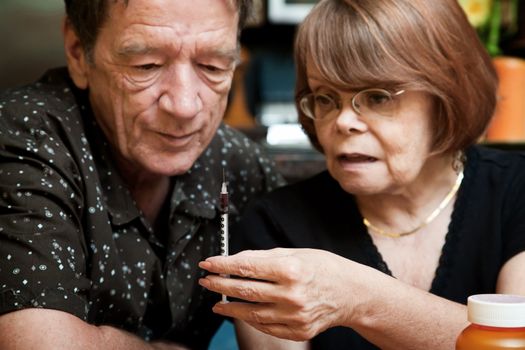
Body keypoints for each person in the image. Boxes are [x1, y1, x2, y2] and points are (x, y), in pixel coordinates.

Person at [198, 0, 525, 349]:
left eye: (377, 97)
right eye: (325, 98)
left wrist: (360, 298)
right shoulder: (274, 226)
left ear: (446, 96)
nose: (342, 121)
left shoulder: (515, 190)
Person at [0, 0, 285, 349]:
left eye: (212, 66)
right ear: (78, 52)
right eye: (145, 65)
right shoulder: (23, 135)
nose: (184, 106)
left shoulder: (237, 164)